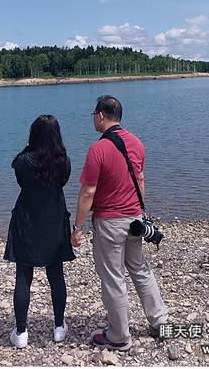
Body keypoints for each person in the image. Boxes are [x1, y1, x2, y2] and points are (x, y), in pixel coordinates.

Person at [72, 95, 168, 351]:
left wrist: (77, 227)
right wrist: (139, 212)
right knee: (140, 269)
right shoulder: (137, 143)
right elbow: (141, 180)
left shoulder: (97, 150)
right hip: (135, 220)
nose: (93, 118)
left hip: (110, 222)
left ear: (101, 115)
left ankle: (119, 335)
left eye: (94, 114)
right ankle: (160, 322)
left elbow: (88, 192)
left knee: (114, 278)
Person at [4, 114, 75, 349]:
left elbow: (20, 179)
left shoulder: (23, 161)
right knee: (56, 275)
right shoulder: (62, 161)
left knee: (23, 277)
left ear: (33, 135)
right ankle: (58, 327)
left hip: (27, 220)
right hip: (54, 219)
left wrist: (29, 147)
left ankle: (22, 332)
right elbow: (63, 182)